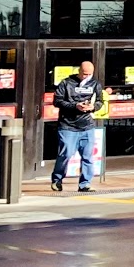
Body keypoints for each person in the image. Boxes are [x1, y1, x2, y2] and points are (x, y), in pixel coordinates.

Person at [51, 60, 102, 193]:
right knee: (66, 154)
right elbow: (57, 101)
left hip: (87, 125)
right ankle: (57, 180)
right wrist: (75, 106)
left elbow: (100, 101)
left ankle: (85, 184)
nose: (87, 77)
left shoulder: (95, 84)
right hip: (67, 125)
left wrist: (93, 107)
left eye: (89, 74)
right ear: (79, 71)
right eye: (84, 74)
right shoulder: (66, 83)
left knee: (88, 157)